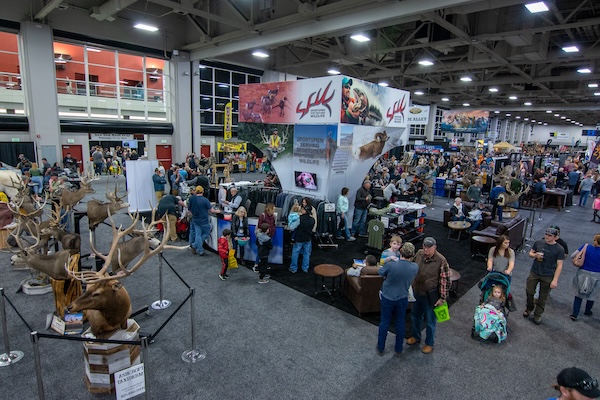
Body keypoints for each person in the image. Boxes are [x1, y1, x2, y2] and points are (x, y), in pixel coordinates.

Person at [407, 237, 451, 354]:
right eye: (424, 246)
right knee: (415, 316)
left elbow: (445, 281)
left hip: (430, 296)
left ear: (434, 247)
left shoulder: (441, 260)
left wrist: (442, 298)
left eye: (428, 247)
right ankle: (415, 336)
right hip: (417, 292)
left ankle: (429, 343)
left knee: (430, 321)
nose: (425, 249)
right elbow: (411, 265)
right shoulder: (419, 254)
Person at [376, 242, 419, 357]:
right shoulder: (415, 267)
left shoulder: (391, 265)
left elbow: (380, 272)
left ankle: (380, 347)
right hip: (402, 298)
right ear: (412, 255)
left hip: (387, 297)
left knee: (384, 322)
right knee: (400, 323)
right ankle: (398, 348)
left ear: (401, 252)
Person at [524, 227, 565, 325]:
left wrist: (555, 280)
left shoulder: (559, 249)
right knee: (529, 292)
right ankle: (529, 307)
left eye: (550, 235)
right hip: (534, 272)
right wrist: (535, 255)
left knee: (543, 297)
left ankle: (538, 314)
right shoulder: (539, 242)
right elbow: (530, 253)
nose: (547, 237)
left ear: (555, 237)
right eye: (546, 234)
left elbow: (559, 265)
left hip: (548, 275)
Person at [570, 233, 600, 321]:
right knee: (592, 294)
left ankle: (575, 314)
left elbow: (573, 255)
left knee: (579, 294)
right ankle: (587, 310)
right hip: (597, 275)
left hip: (583, 272)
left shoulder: (586, 247)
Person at [187, 186, 220, 256]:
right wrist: (218, 211)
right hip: (203, 220)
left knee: (198, 234)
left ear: (196, 191)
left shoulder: (191, 199)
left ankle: (200, 249)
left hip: (195, 219)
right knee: (206, 233)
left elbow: (189, 210)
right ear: (203, 191)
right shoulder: (205, 200)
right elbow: (212, 210)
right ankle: (195, 245)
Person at [289, 204, 314, 274]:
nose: (301, 210)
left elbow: (292, 227)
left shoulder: (299, 218)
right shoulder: (312, 220)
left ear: (305, 211)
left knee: (295, 253)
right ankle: (305, 268)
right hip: (308, 238)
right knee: (306, 254)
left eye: (303, 209)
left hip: (299, 239)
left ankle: (293, 268)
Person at [253, 203, 276, 272]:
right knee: (260, 252)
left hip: (270, 236)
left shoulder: (273, 216)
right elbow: (260, 225)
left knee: (266, 252)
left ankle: (264, 264)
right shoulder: (262, 216)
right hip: (263, 237)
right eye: (273, 208)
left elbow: (274, 225)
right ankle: (256, 265)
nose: (275, 209)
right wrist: (266, 231)